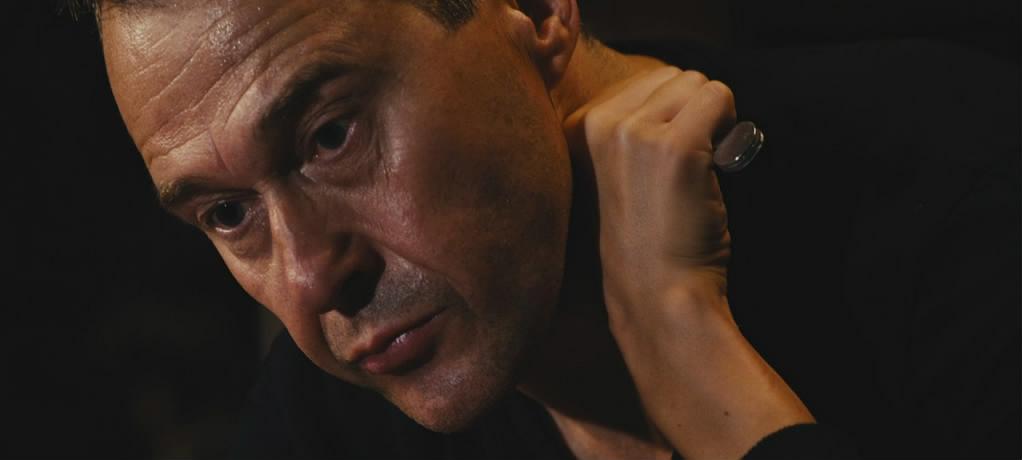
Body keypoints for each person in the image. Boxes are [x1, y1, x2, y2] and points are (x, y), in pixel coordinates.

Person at [71, 0, 1018, 458]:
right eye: (228, 213)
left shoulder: (958, 182)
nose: (311, 278)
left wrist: (681, 343)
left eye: (330, 136)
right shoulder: (326, 428)